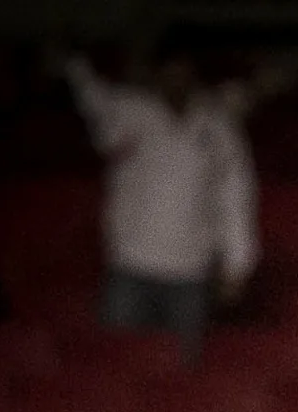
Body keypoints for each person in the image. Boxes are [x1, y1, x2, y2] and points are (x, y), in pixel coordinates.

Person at [67, 45, 257, 362]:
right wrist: (77, 67)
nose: (176, 82)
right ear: (156, 76)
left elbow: (234, 195)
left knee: (183, 370)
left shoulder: (218, 127)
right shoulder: (131, 113)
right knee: (115, 364)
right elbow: (97, 108)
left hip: (190, 272)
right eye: (169, 74)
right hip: (131, 266)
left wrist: (238, 262)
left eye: (183, 74)